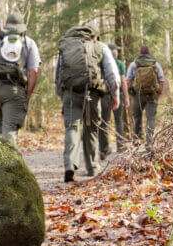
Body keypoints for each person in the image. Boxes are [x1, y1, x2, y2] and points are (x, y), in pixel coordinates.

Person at [55, 24, 120, 182]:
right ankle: (92, 167)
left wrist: (61, 94)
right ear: (95, 36)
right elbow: (112, 73)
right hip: (92, 94)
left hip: (70, 94)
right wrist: (115, 95)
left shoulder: (66, 47)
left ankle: (70, 165)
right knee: (91, 129)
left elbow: (58, 74)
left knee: (72, 128)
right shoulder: (100, 47)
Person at [0, 13, 41, 145]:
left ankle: (0, 163)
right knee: (9, 130)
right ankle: (9, 164)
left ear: (5, 25)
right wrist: (27, 94)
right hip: (14, 90)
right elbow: (34, 71)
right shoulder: (28, 42)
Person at [126, 45, 165, 145]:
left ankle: (136, 140)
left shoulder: (134, 64)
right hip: (152, 95)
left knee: (137, 117)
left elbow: (128, 80)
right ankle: (149, 141)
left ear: (140, 53)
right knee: (150, 118)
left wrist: (130, 92)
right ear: (149, 52)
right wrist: (159, 93)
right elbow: (161, 80)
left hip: (137, 94)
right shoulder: (156, 64)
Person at [98, 44, 130, 157]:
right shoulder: (119, 63)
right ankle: (120, 146)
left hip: (104, 94)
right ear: (113, 51)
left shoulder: (101, 62)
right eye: (116, 50)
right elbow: (123, 81)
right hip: (117, 93)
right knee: (118, 120)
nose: (118, 52)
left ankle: (103, 148)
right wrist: (126, 97)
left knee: (104, 121)